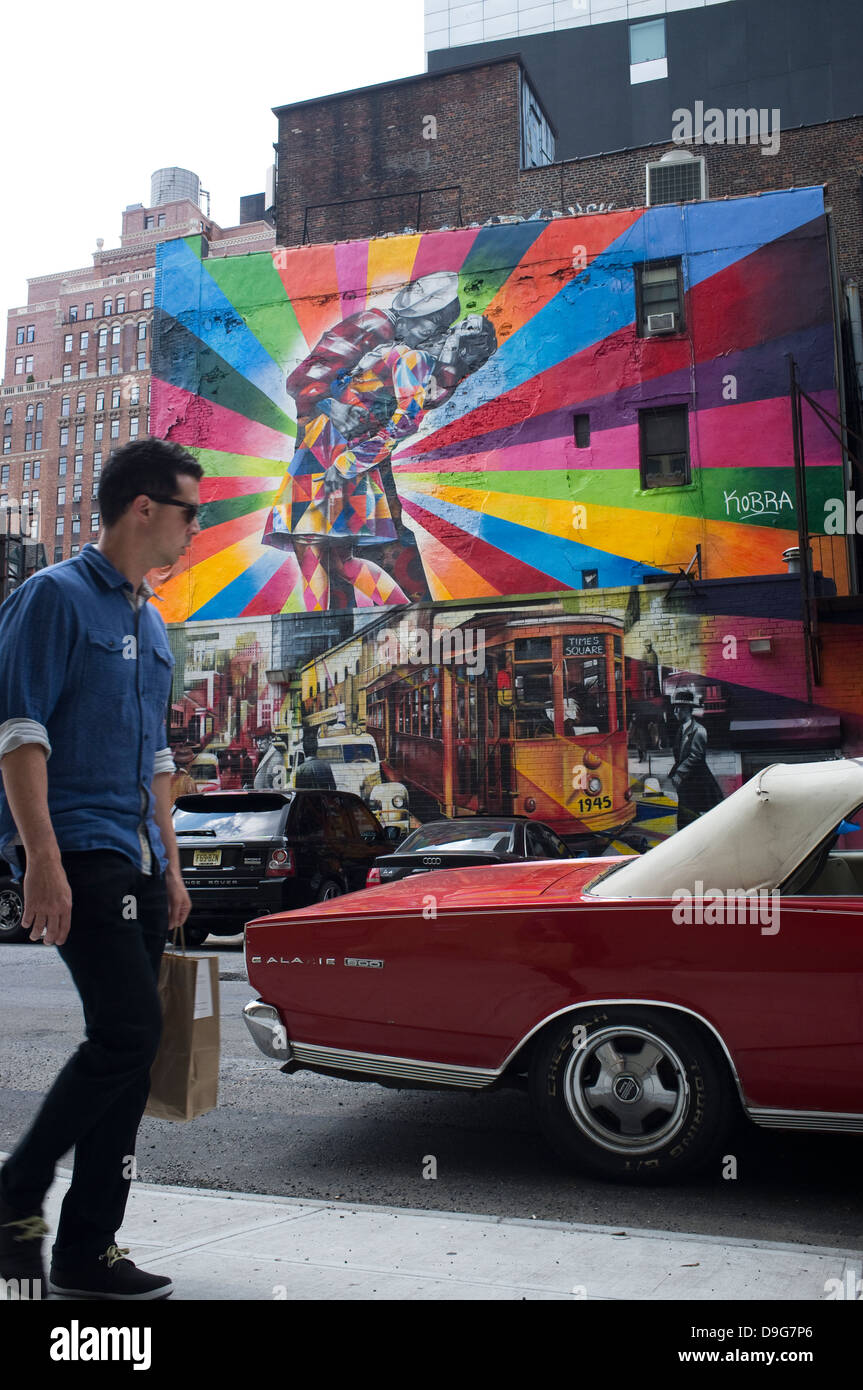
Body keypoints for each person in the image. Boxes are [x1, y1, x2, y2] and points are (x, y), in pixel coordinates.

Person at [0, 438, 202, 1301]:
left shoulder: (150, 623)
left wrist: (174, 862)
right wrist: (40, 859)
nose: (199, 526)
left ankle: (90, 1247)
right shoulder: (51, 599)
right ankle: (15, 1191)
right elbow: (18, 732)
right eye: (192, 510)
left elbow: (157, 753)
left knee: (136, 1049)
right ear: (143, 508)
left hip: (140, 857)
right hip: (78, 847)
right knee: (126, 1032)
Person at [262, 271, 497, 611]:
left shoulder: (412, 359)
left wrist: (345, 454)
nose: (437, 333)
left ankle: (329, 633)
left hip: (334, 450)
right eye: (436, 326)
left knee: (313, 547)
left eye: (445, 330)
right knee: (335, 559)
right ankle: (407, 619)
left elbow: (403, 421)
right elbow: (312, 382)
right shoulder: (395, 345)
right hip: (330, 447)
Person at [669, 694, 723, 831]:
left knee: (692, 816)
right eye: (675, 708)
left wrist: (678, 774)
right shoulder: (681, 730)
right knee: (685, 816)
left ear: (687, 709)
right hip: (687, 781)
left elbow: (695, 756)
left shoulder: (699, 730)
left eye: (678, 708)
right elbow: (680, 755)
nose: (675, 712)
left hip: (697, 780)